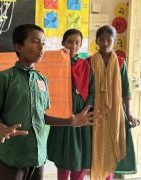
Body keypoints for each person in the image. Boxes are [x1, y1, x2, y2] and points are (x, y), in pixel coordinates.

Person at [0, 24, 99, 180]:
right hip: (14, 156)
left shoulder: (42, 80)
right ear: (18, 46)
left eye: (43, 43)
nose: (41, 47)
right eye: (35, 42)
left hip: (38, 156)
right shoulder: (5, 77)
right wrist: (1, 128)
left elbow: (42, 117)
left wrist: (69, 121)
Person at [89, 25, 140, 180]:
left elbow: (126, 90)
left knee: (112, 145)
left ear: (115, 41)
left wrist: (129, 112)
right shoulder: (89, 62)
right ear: (96, 41)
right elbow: (86, 88)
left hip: (115, 112)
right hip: (95, 111)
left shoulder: (120, 63)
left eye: (108, 40)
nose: (105, 43)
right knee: (96, 148)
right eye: (101, 39)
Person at [47, 29, 94, 180]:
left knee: (80, 153)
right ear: (63, 43)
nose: (73, 45)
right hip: (61, 112)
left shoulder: (86, 65)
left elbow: (92, 91)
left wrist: (84, 112)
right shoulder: (55, 62)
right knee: (63, 152)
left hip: (81, 111)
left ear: (80, 45)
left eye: (77, 42)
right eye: (70, 41)